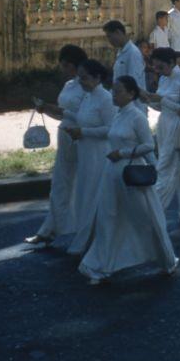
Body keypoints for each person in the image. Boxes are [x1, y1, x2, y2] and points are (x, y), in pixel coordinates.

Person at [76, 77, 178, 284]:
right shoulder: (118, 115)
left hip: (131, 173)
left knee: (147, 217)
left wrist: (123, 153)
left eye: (118, 92)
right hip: (112, 174)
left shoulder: (137, 117)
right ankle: (99, 267)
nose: (114, 95)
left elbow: (149, 145)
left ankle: (167, 260)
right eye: (113, 91)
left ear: (131, 94)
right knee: (107, 218)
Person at [26, 44, 89, 245]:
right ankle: (49, 228)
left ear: (73, 65)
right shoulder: (69, 85)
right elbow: (62, 113)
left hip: (82, 137)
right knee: (60, 182)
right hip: (65, 135)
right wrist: (44, 109)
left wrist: (53, 109)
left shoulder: (87, 86)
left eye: (65, 65)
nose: (63, 69)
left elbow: (81, 115)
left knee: (81, 185)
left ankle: (84, 229)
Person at [140, 48, 180, 216]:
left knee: (166, 170)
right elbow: (160, 107)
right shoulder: (164, 80)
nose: (158, 71)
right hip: (165, 126)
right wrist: (149, 100)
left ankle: (152, 212)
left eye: (161, 67)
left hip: (179, 127)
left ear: (172, 63)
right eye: (156, 68)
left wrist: (163, 100)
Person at [66, 60, 116, 256]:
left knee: (94, 198)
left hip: (99, 154)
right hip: (85, 153)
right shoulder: (87, 97)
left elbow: (111, 129)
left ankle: (93, 241)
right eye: (79, 78)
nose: (81, 82)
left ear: (97, 78)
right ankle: (86, 238)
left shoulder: (105, 98)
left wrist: (83, 132)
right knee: (84, 195)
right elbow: (81, 117)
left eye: (85, 78)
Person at [103, 19, 146, 111]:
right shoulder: (120, 52)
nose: (109, 40)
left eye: (110, 36)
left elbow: (133, 82)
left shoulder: (133, 53)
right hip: (122, 104)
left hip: (133, 106)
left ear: (118, 32)